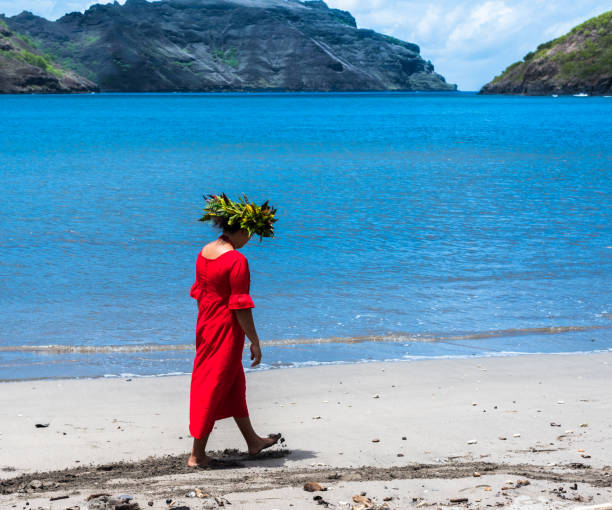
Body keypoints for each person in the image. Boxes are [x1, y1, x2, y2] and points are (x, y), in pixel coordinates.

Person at [187, 194, 279, 468]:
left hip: (206, 325)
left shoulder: (204, 252)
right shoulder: (236, 260)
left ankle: (253, 440)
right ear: (240, 230)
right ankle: (197, 454)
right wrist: (254, 340)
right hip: (226, 329)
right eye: (249, 234)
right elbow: (240, 306)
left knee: (234, 383)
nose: (249, 240)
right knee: (212, 386)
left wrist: (204, 328)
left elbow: (201, 294)